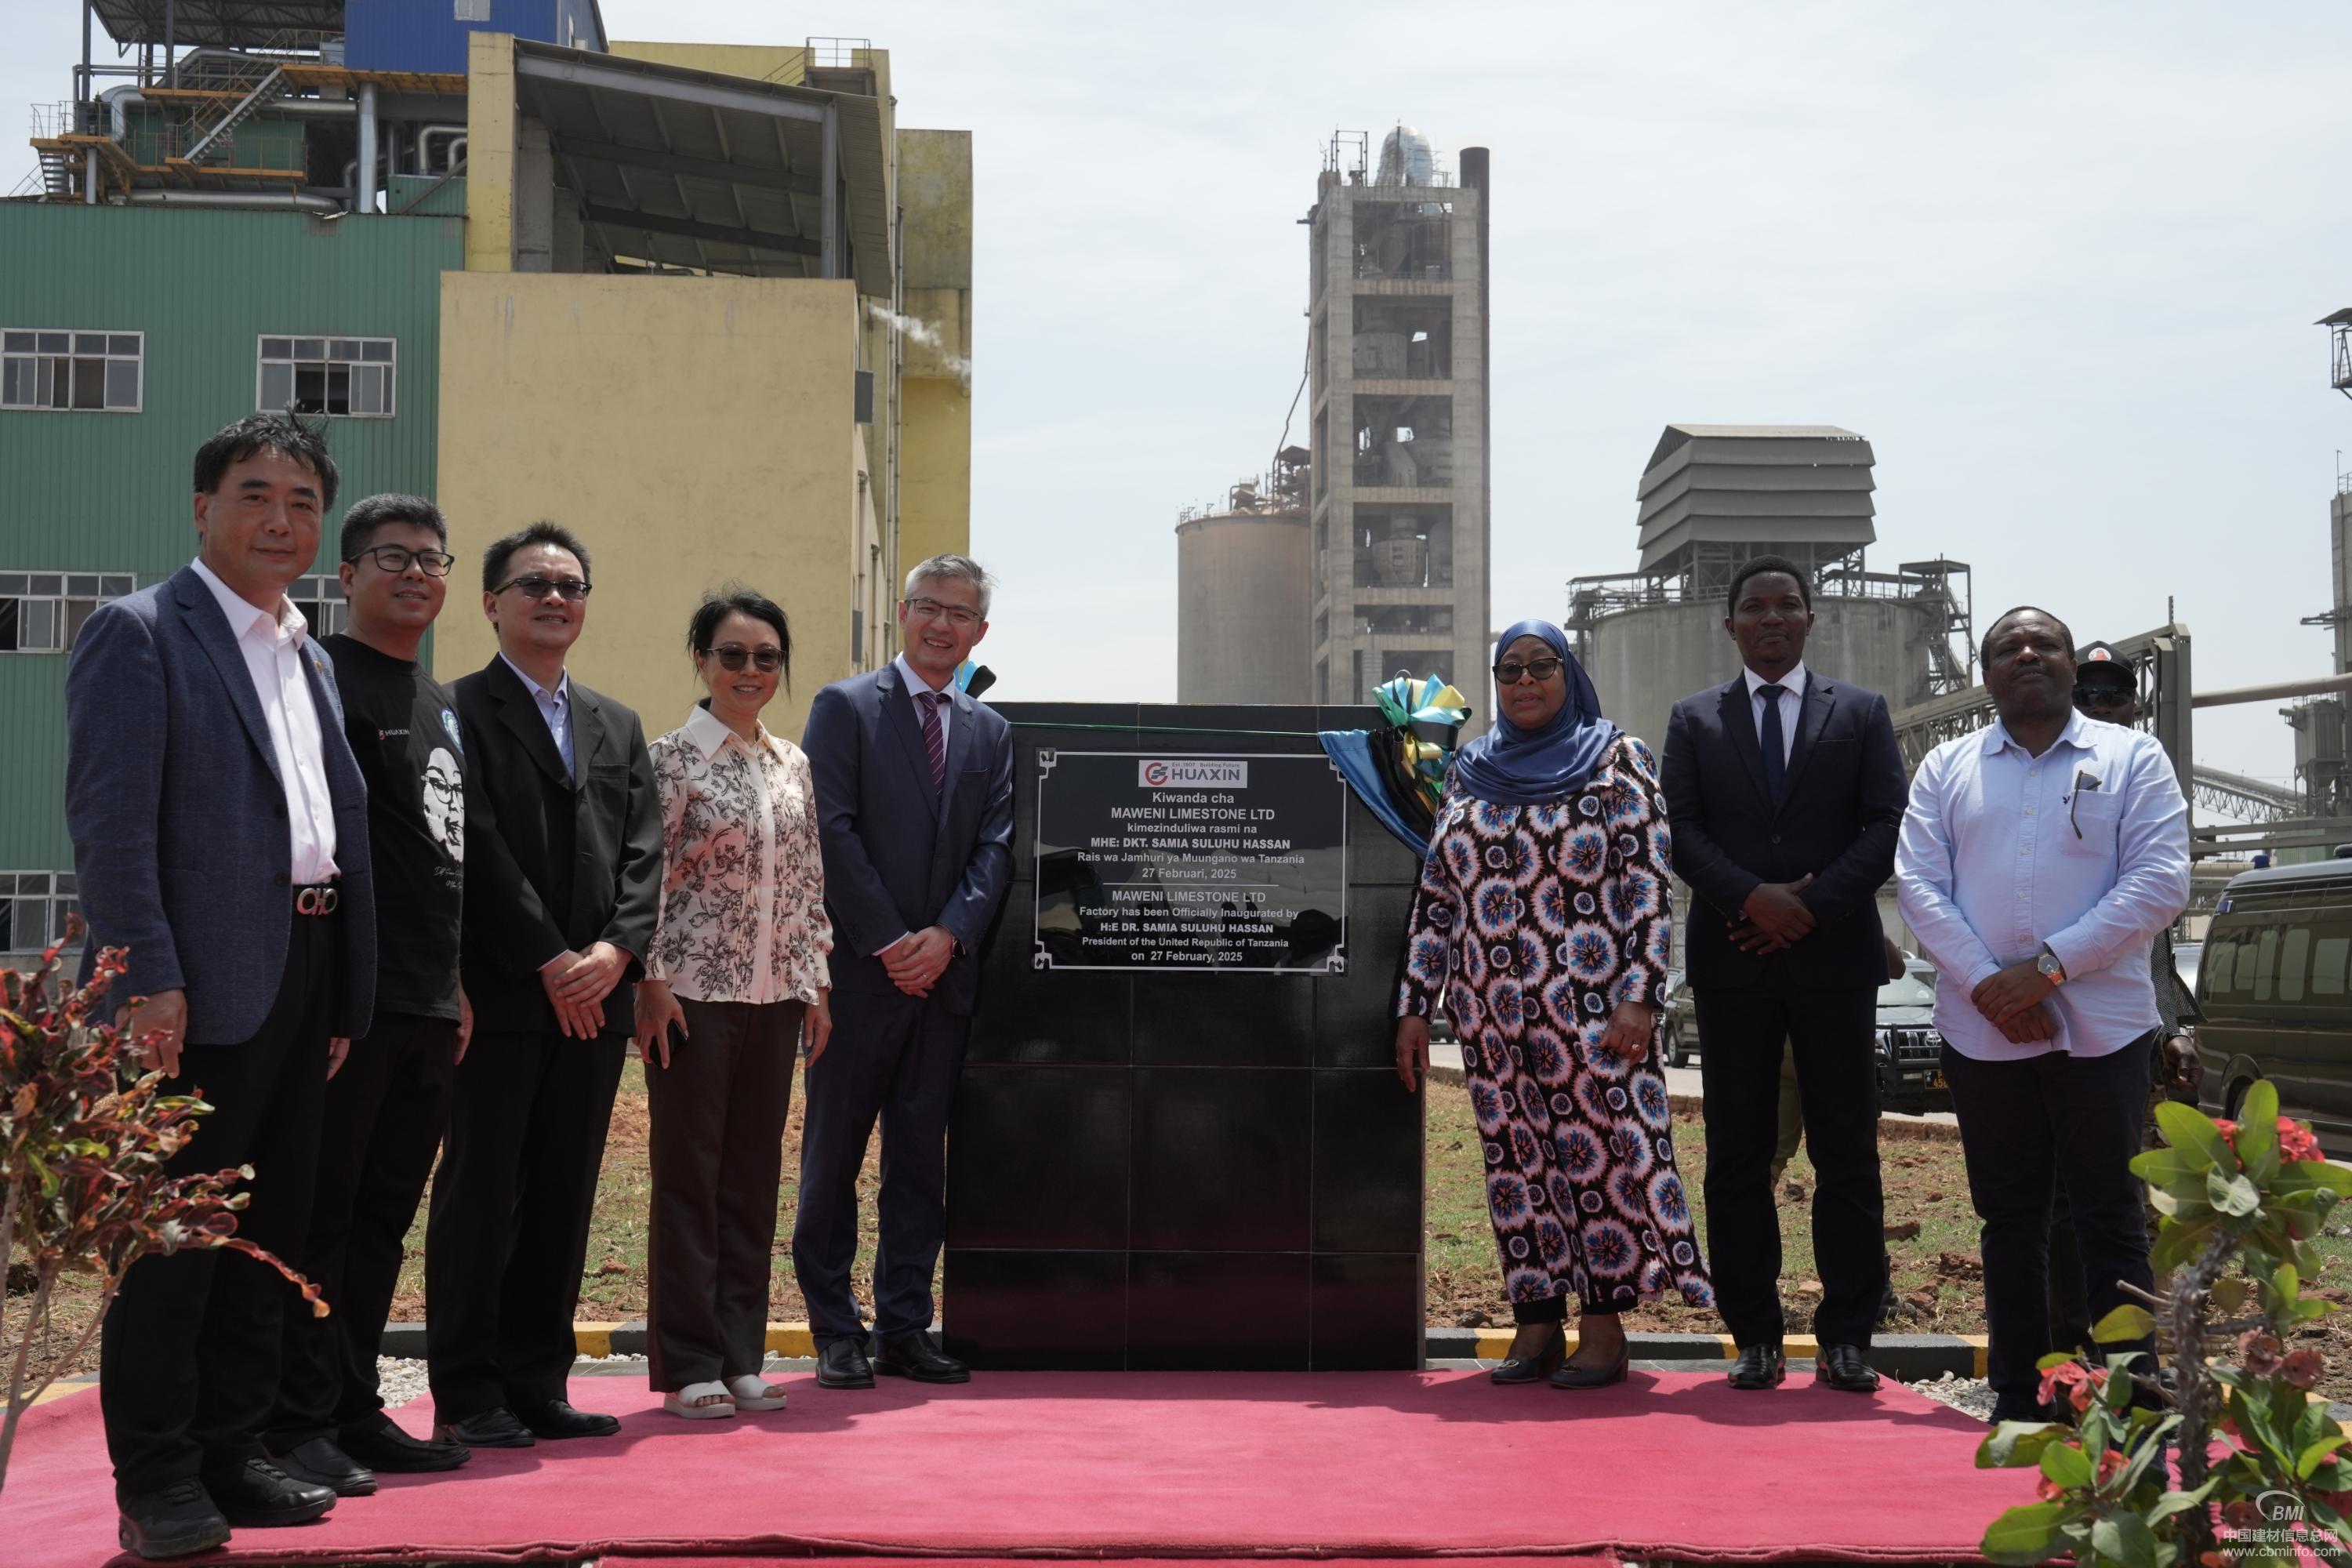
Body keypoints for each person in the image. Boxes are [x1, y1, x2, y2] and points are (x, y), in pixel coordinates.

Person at [67, 415, 377, 1559]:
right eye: (256, 495)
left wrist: (344, 992)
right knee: (175, 1243)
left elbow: (331, 826)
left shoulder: (308, 652)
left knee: (266, 1235)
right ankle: (157, 1480)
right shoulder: (142, 633)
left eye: (302, 502)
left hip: (304, 969)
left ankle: (233, 1451)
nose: (280, 520)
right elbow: (111, 827)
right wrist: (148, 978)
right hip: (193, 987)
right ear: (204, 509)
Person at [1395, 621, 1712, 1390]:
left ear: (1569, 673)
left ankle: (1603, 1330)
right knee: (1516, 1168)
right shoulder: (1468, 770)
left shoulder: (1616, 759)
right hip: (1489, 1017)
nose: (1525, 681)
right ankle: (1535, 1323)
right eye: (1509, 670)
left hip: (1592, 1013)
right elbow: (1437, 897)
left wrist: (1640, 996)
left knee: (1600, 1165)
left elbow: (1648, 886)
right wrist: (1416, 1003)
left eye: (1542, 665)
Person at [1894, 607, 2191, 1424]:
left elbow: (2161, 881)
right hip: (1985, 1031)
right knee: (2010, 1218)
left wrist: (2048, 970)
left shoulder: (2132, 758)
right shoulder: (1947, 768)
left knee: (2111, 1214)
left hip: (2103, 1030)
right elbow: (1919, 886)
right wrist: (1993, 985)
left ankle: (2134, 1393)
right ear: (1986, 674)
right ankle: (2020, 1394)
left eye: (2044, 644)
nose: (2027, 654)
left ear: (2068, 664)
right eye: (2008, 648)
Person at [424, 521, 662, 1447]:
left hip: (596, 1000)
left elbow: (644, 850)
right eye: (534, 584)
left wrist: (615, 953)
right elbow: (472, 843)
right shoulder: (454, 710)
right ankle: (468, 1389)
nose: (555, 598)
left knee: (565, 1195)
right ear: (492, 603)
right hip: (503, 996)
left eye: (571, 585)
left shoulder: (616, 721)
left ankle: (537, 1380)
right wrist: (548, 957)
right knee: (482, 1193)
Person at [260, 495, 473, 1495]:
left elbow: (440, 855)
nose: (417, 573)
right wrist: (342, 990)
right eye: (393, 557)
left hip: (430, 1001)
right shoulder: (321, 676)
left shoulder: (435, 700)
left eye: (432, 559)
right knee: (322, 1217)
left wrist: (456, 980)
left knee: (384, 1216)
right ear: (346, 576)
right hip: (355, 1001)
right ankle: (293, 1418)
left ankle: (351, 1403)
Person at [1659, 554, 1906, 1395]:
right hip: (1734, 960)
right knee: (1737, 1151)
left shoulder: (1860, 712)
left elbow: (1886, 823)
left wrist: (1811, 907)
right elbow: (1679, 829)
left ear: (1810, 618)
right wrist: (1751, 899)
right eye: (1755, 606)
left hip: (1834, 961)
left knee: (1847, 1148)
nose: (1772, 617)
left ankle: (1849, 1336)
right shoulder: (1695, 719)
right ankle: (1755, 1334)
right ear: (1729, 625)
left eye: (1787, 604)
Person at [793, 554, 1014, 1390]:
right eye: (929, 606)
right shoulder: (846, 706)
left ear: (980, 631)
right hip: (858, 977)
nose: (941, 624)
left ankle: (904, 1326)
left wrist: (948, 936)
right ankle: (833, 1329)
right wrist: (890, 939)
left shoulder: (990, 731)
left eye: (959, 613)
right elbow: (831, 830)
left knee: (919, 1163)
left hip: (943, 983)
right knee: (834, 1159)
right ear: (903, 611)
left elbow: (996, 847)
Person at [633, 590, 835, 1419]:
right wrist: (648, 981)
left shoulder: (794, 763)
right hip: (691, 994)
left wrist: (817, 983)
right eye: (732, 655)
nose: (750, 670)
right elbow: (643, 878)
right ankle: (689, 1364)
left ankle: (741, 1356)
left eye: (766, 657)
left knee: (752, 1179)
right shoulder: (671, 758)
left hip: (777, 996)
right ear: (702, 661)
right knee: (690, 1178)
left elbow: (808, 880)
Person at [2045, 640, 2201, 1356]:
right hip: (2053, 1022)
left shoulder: (2146, 775)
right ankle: (2070, 1344)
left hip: (2132, 1031)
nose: (2101, 707)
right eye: (2088, 695)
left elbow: (2155, 929)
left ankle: (2141, 1348)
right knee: (2061, 1201)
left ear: (2134, 706)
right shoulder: (2048, 780)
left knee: (2136, 1199)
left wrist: (2174, 1025)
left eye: (2114, 696)